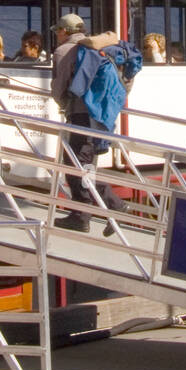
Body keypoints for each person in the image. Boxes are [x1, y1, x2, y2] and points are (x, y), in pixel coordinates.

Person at [50, 13, 124, 233]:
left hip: (81, 115)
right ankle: (81, 215)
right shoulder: (95, 48)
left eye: (58, 31)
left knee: (76, 165)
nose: (57, 35)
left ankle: (113, 205)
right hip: (99, 116)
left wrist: (61, 102)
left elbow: (59, 86)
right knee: (85, 164)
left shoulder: (63, 51)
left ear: (65, 31)